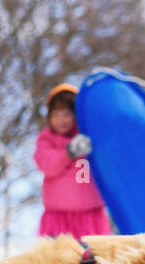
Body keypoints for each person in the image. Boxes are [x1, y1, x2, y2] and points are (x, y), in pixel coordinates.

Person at [33, 83, 111, 239]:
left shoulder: (89, 136)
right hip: (58, 216)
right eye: (56, 115)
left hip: (90, 216)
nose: (61, 120)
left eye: (67, 114)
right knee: (56, 260)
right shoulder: (47, 140)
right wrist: (68, 153)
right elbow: (46, 163)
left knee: (92, 258)